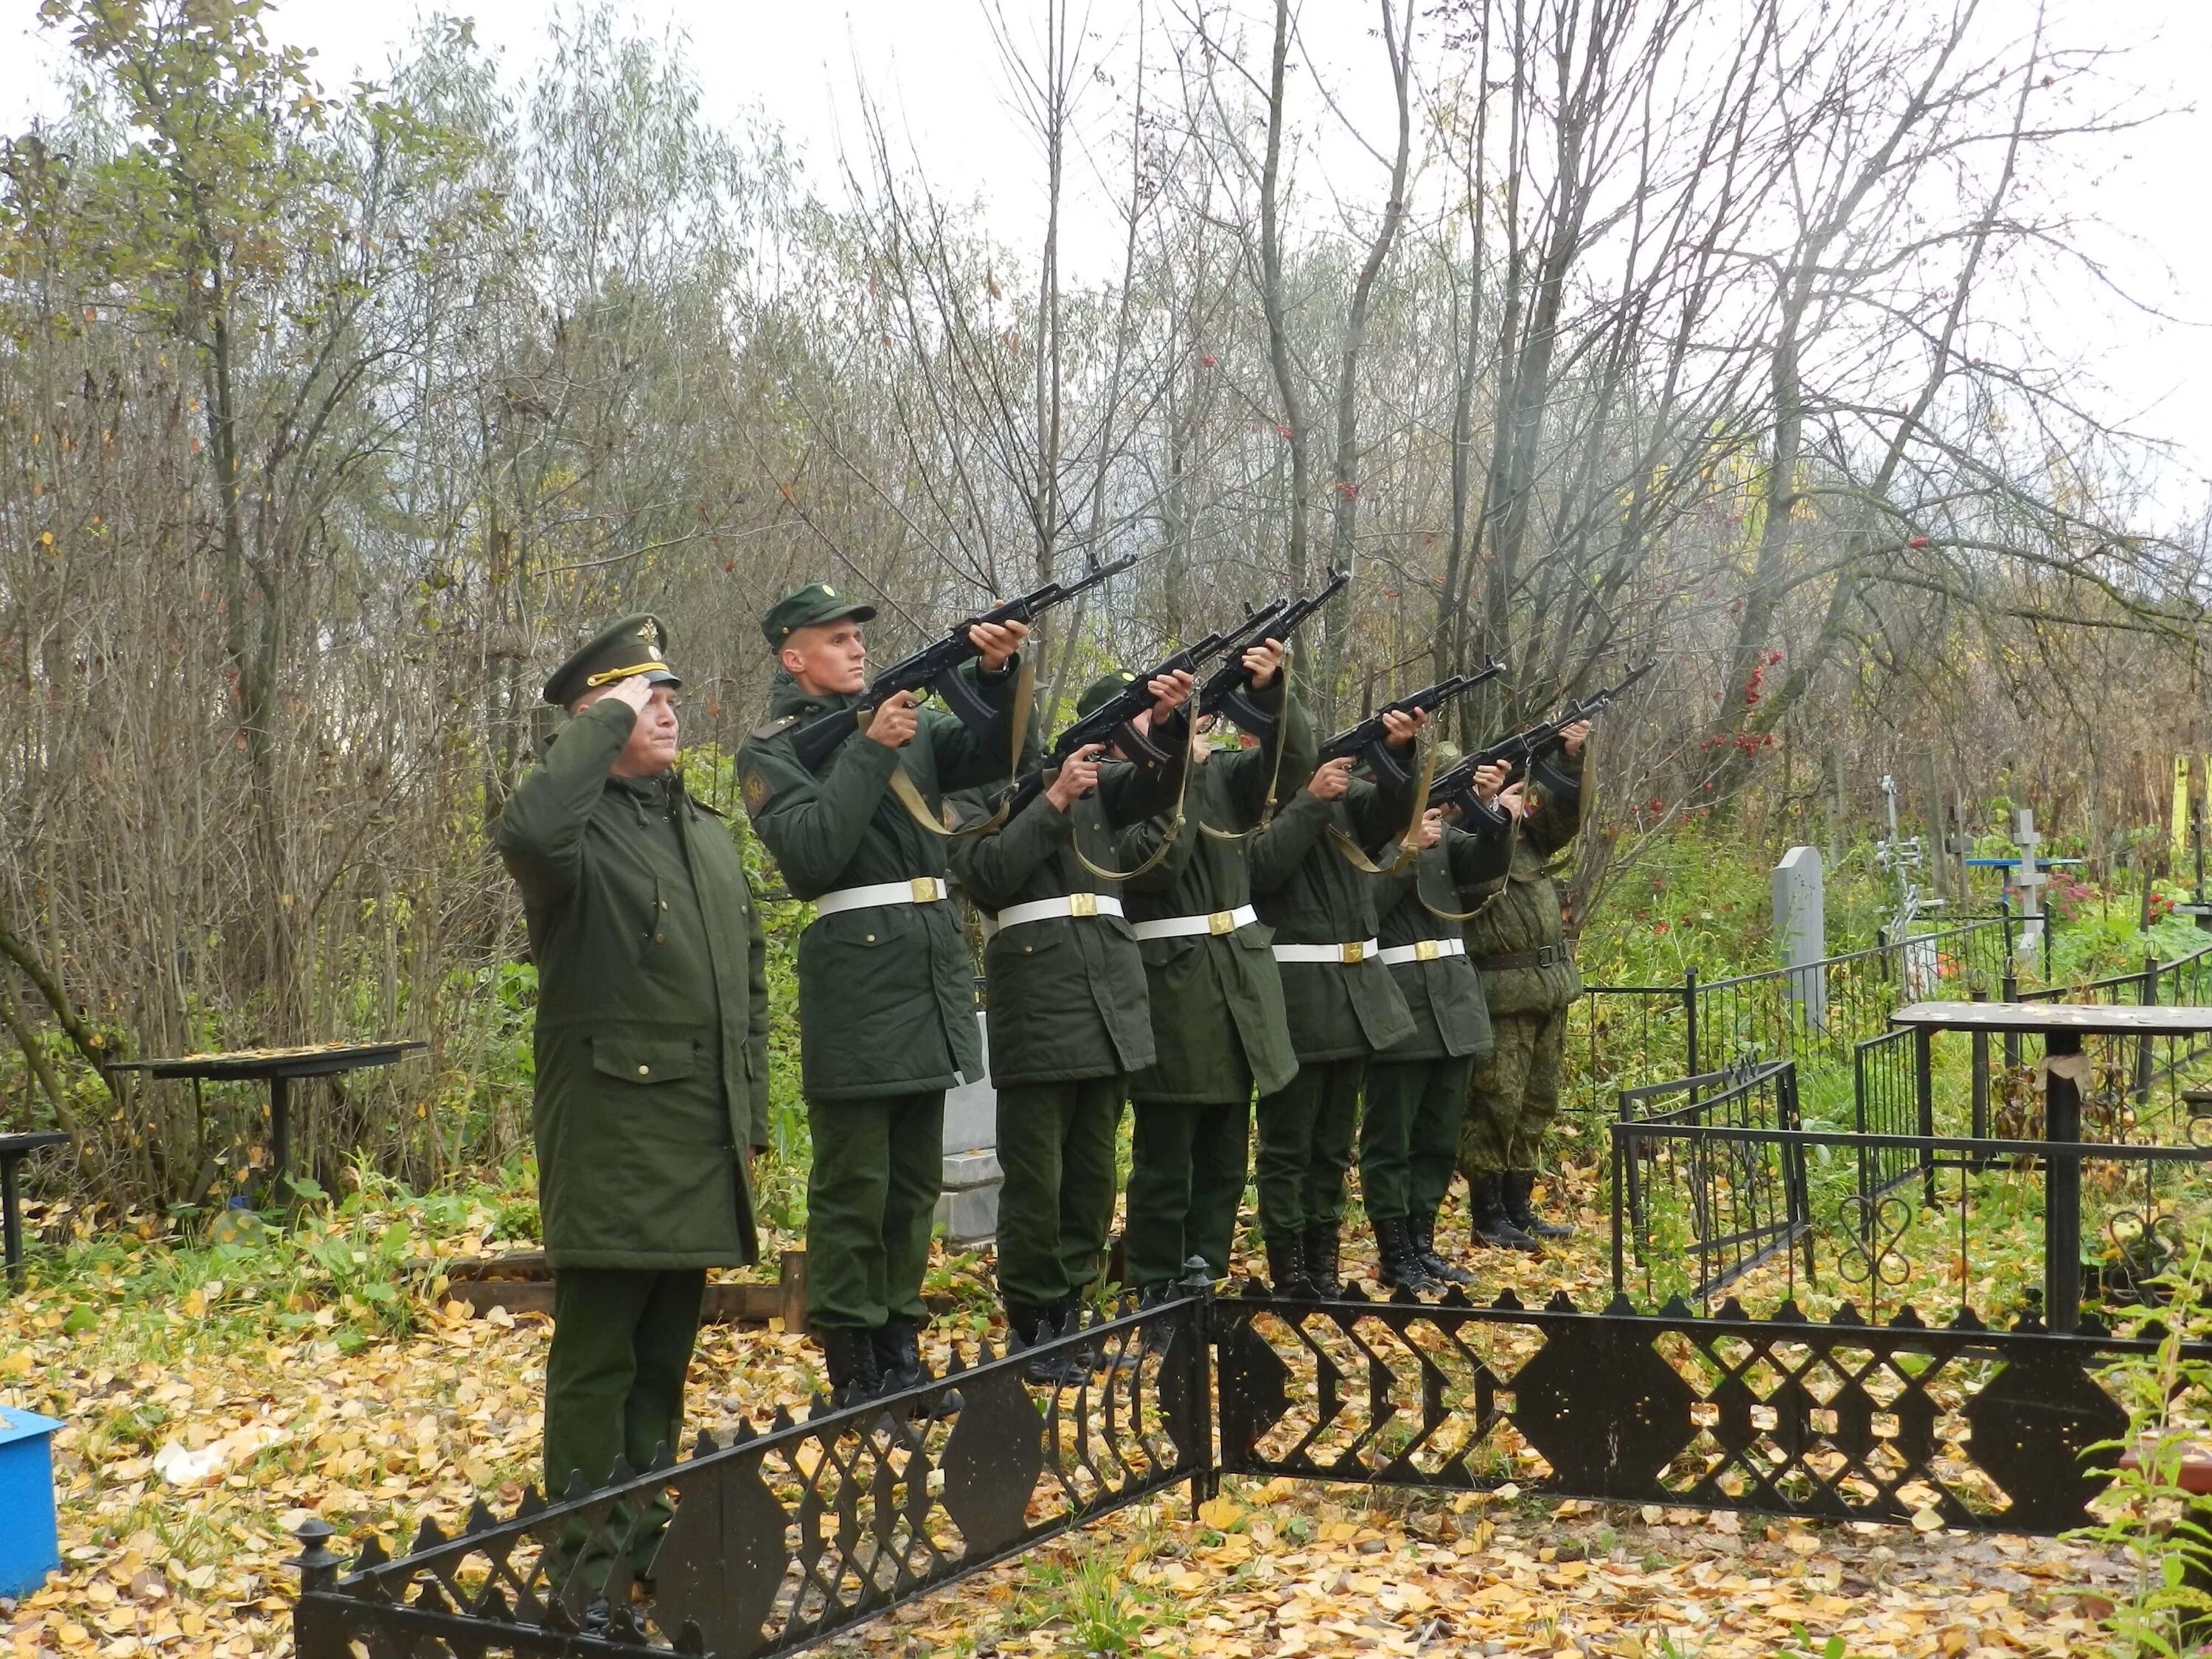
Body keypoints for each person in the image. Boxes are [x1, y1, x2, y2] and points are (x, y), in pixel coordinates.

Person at [493, 613, 770, 1587]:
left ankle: (646, 1531)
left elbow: (749, 986)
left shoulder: (702, 832)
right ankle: (587, 1562)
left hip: (700, 1134)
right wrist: (600, 726)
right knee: (599, 1355)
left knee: (663, 1354)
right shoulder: (570, 837)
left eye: (667, 694)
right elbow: (525, 828)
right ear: (590, 719)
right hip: (615, 1135)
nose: (664, 709)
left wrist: (755, 1122)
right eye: (637, 697)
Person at [738, 584, 1029, 1405]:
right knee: (854, 1184)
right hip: (858, 978)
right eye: (835, 640)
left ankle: (902, 1344)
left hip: (926, 966)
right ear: (793, 656)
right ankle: (852, 1358)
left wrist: (998, 672)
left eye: (858, 637)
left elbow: (997, 758)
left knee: (911, 1183)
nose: (855, 649)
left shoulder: (902, 721)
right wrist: (869, 750)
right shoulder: (772, 750)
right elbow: (811, 857)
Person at [945, 666, 1194, 1380]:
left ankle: (1074, 1311)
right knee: (1037, 1174)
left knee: (1091, 1174)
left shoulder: (1084, 777)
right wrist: (1052, 800)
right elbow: (987, 874)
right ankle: (1034, 1322)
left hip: (1108, 995)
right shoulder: (969, 793)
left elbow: (1153, 791)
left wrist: (1169, 725)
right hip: (1041, 996)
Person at [1109, 639, 1298, 1304]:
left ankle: (1205, 1271)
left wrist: (1270, 693)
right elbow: (1153, 868)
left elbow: (1289, 767)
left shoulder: (1218, 772)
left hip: (1237, 980)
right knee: (1168, 1153)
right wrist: (1175, 777)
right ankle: (1157, 1282)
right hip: (1172, 983)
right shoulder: (1110, 789)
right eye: (1148, 714)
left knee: (1225, 1147)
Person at [1245, 707, 1427, 1296]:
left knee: (1332, 1146)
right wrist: (1310, 801)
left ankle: (1322, 1261)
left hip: (1353, 995)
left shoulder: (1344, 799)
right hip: (1297, 998)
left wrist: (1398, 752)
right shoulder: (1252, 799)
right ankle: (1288, 1268)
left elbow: (1393, 813)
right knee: (1287, 1145)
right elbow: (1262, 872)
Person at [1359, 765, 1513, 1291]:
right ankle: (1394, 1251)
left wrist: (1491, 812)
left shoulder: (1444, 835)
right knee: (1391, 1139)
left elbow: (1487, 866)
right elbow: (1364, 910)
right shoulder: (1370, 836)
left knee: (1438, 1138)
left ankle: (1422, 1245)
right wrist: (1405, 849)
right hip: (1401, 1004)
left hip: (1454, 1001)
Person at [1456, 721, 1592, 1248]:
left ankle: (1519, 1207)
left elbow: (1561, 819)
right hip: (1502, 993)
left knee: (1537, 1103)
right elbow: (1474, 878)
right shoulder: (1465, 836)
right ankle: (1489, 1216)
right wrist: (1490, 814)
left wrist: (1567, 760)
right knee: (1495, 1104)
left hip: (1547, 987)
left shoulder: (1526, 836)